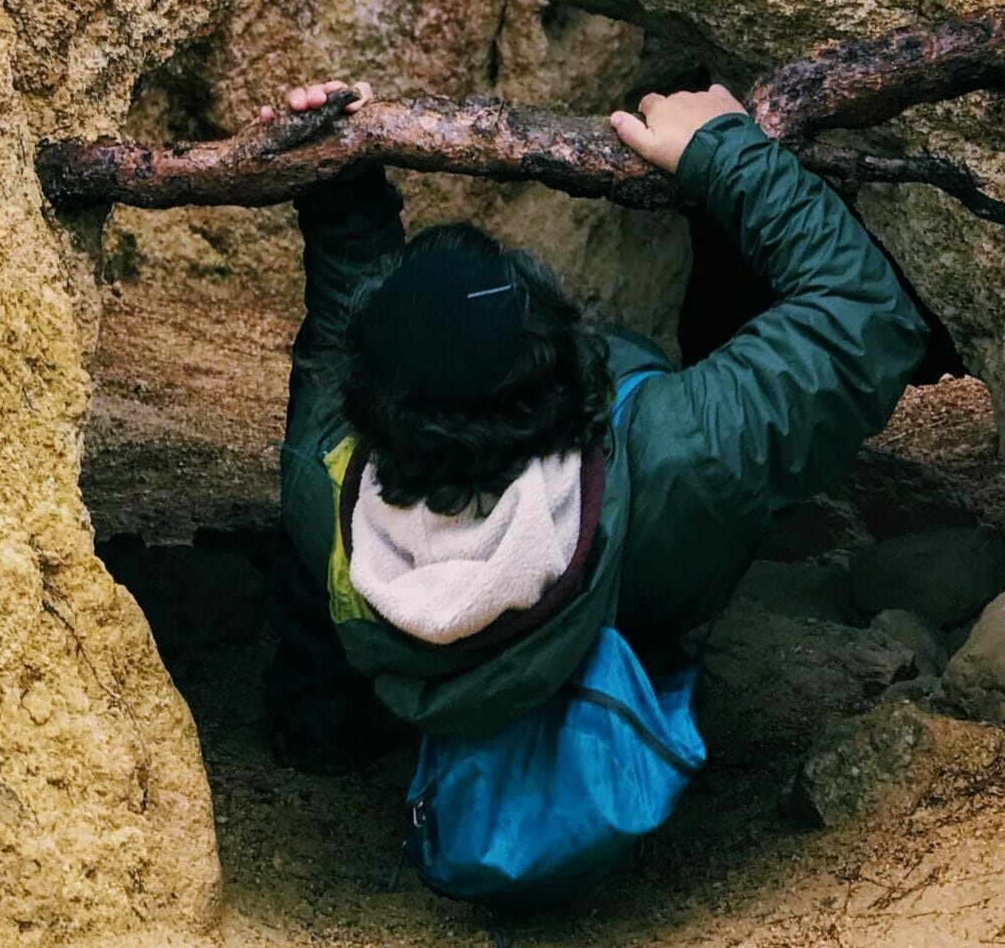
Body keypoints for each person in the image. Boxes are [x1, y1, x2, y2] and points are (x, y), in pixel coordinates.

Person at [262, 76, 928, 777]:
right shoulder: (679, 457)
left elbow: (344, 326)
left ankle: (317, 723)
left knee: (310, 586)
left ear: (366, 406)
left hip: (422, 654)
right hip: (636, 606)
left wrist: (340, 183)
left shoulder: (324, 475)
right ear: (560, 358)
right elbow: (865, 316)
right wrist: (726, 152)